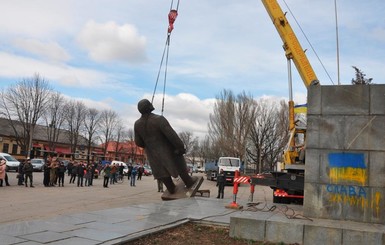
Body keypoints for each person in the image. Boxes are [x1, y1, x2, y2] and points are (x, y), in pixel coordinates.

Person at [134, 99, 197, 194]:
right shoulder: (159, 119)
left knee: (160, 170)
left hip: (152, 153)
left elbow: (138, 142)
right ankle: (188, 181)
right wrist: (180, 147)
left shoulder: (137, 124)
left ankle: (170, 187)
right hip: (168, 151)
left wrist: (148, 144)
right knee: (178, 161)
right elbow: (172, 135)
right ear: (148, 107)